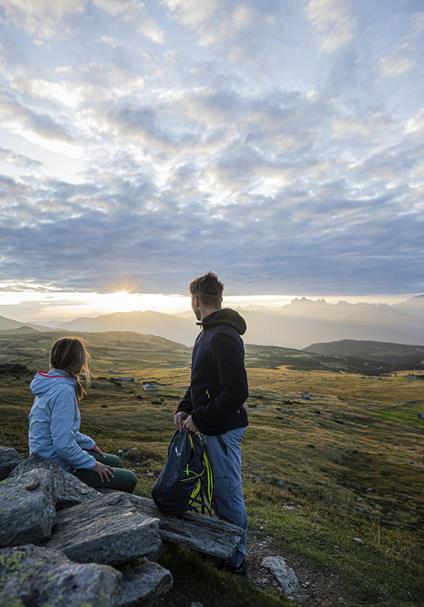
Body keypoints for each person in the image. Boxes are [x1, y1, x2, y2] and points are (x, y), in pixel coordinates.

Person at [174, 272, 249, 575]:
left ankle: (237, 561)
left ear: (195, 300)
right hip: (210, 426)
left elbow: (237, 392)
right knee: (217, 491)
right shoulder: (207, 332)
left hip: (223, 428)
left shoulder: (222, 336)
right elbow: (202, 382)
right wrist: (184, 408)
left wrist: (200, 418)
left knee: (227, 493)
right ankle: (221, 549)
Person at [28, 336, 137, 493]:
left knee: (115, 461)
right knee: (130, 479)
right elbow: (62, 444)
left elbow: (61, 431)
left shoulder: (50, 382)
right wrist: (92, 464)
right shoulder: (63, 391)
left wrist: (89, 444)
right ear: (78, 361)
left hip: (45, 456)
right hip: (55, 466)